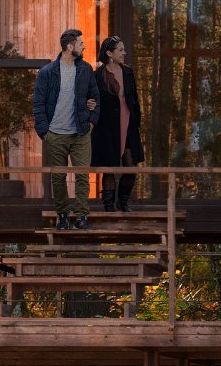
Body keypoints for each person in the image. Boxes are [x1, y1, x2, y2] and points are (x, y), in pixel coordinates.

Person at [32, 28, 99, 228]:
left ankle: (81, 216)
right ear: (70, 47)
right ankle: (62, 215)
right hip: (55, 134)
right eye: (80, 44)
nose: (84, 46)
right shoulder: (47, 72)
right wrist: (45, 132)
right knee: (58, 178)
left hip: (80, 133)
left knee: (82, 176)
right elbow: (38, 104)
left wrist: (91, 121)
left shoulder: (86, 69)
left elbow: (96, 97)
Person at [92, 35, 143, 211]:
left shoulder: (128, 72)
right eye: (120, 50)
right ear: (109, 53)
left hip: (128, 125)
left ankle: (123, 202)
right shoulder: (97, 76)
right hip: (107, 128)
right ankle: (108, 206)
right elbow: (91, 99)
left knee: (131, 167)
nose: (124, 52)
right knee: (109, 168)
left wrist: (137, 121)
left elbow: (134, 99)